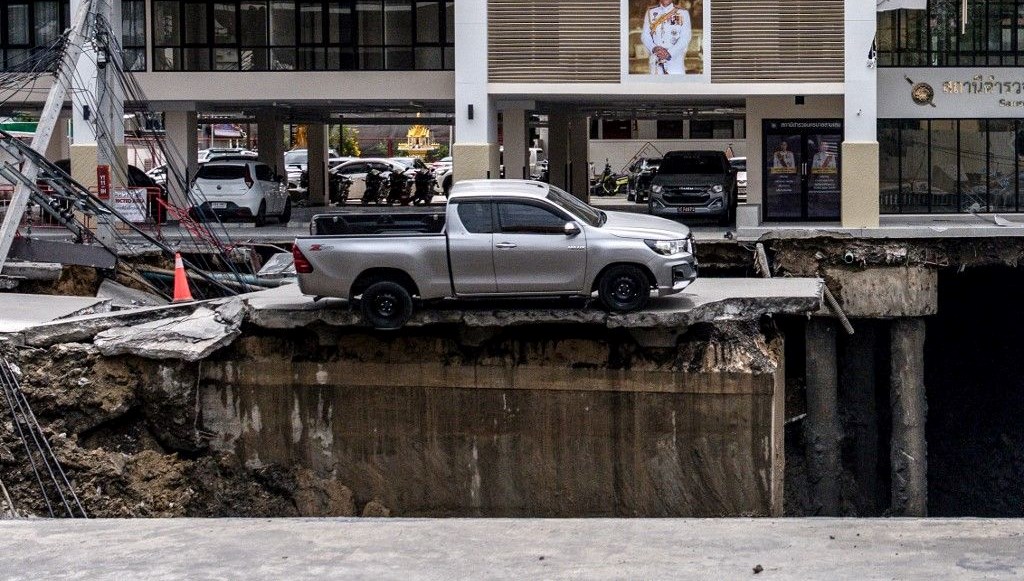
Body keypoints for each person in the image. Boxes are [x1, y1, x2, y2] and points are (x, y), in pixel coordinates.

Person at [640, 1, 692, 75]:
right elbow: (645, 36)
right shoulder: (650, 12)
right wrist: (654, 48)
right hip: (656, 62)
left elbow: (685, 37)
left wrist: (669, 53)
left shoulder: (683, 13)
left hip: (675, 63)